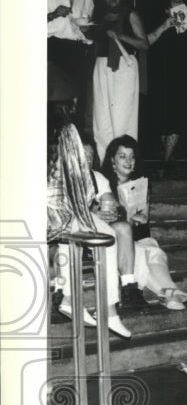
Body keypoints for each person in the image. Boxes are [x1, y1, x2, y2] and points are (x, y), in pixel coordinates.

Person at [48, 118, 132, 338]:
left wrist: (109, 208)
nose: (86, 161)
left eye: (90, 156)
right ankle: (69, 298)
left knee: (110, 234)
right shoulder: (57, 175)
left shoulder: (96, 178)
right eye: (81, 156)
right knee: (71, 232)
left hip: (81, 222)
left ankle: (109, 309)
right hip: (55, 224)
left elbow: (109, 199)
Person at [102, 135, 187, 310]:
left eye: (132, 156)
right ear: (112, 160)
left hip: (140, 238)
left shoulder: (140, 184)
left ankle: (169, 294)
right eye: (122, 156)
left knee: (153, 251)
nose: (128, 161)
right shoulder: (103, 187)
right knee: (144, 254)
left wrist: (139, 218)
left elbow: (144, 218)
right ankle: (170, 292)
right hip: (119, 244)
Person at [145, 0, 187, 176]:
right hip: (159, 71)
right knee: (161, 115)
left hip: (184, 72)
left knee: (178, 115)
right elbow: (145, 42)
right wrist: (165, 25)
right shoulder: (153, 13)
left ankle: (166, 161)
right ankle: (168, 159)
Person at [90, 0, 148, 163]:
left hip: (124, 67)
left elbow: (144, 44)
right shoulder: (97, 16)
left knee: (122, 121)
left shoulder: (130, 14)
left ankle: (126, 165)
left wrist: (120, 36)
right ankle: (105, 165)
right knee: (101, 121)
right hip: (101, 67)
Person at [47, 0, 95, 125]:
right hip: (53, 47)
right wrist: (53, 14)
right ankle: (52, 142)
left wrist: (86, 29)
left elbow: (88, 29)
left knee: (78, 100)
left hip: (78, 50)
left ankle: (76, 140)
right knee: (54, 101)